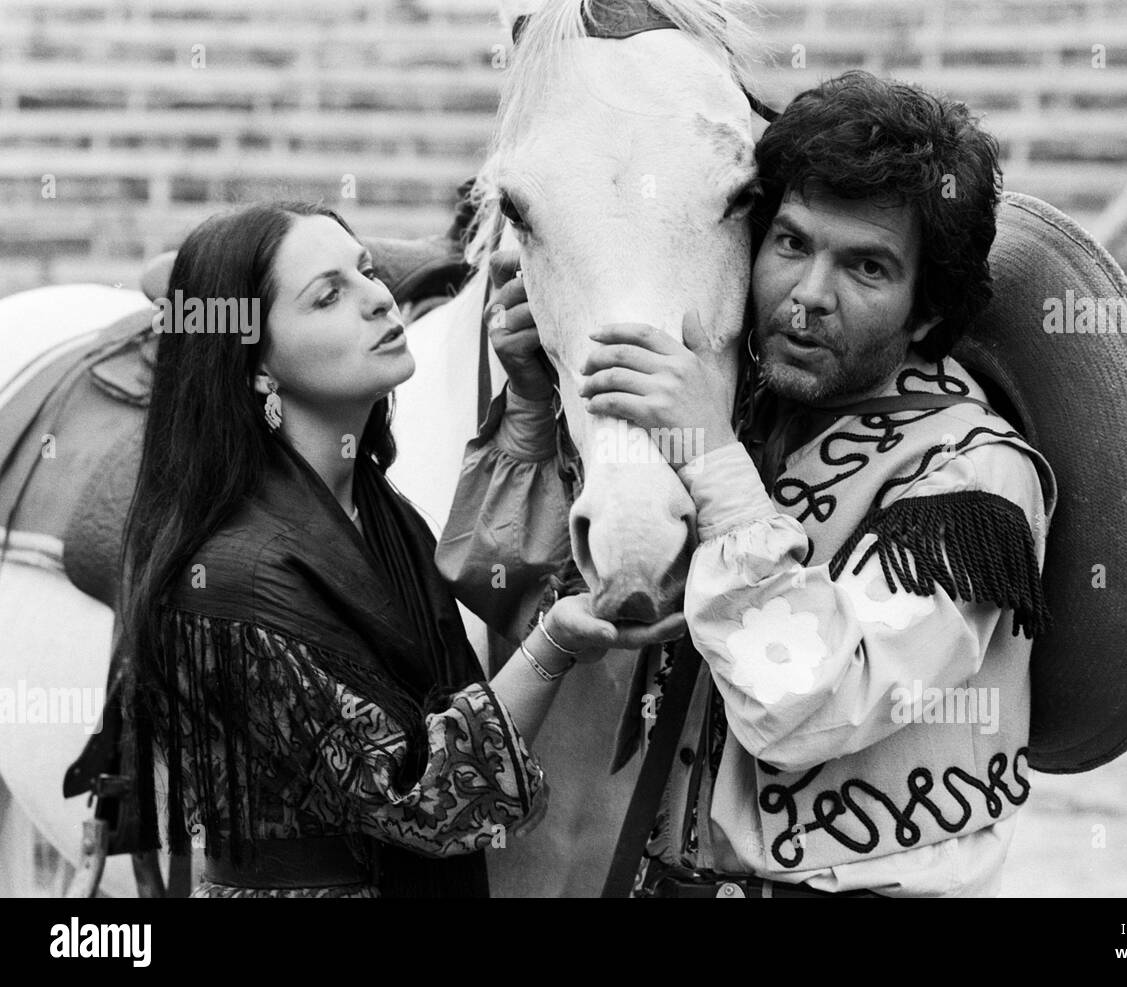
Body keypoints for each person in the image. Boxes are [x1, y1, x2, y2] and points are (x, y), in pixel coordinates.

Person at [438, 69, 1057, 898]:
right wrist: (530, 402)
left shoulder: (973, 478)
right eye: (792, 243)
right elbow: (500, 586)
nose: (808, 296)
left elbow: (804, 703)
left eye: (865, 268)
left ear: (929, 312)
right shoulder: (744, 413)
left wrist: (713, 458)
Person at [120, 201, 627, 898]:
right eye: (329, 295)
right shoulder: (239, 577)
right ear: (256, 362)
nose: (379, 297)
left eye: (365, 270)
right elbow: (424, 799)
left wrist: (533, 399)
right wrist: (554, 643)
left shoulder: (381, 514)